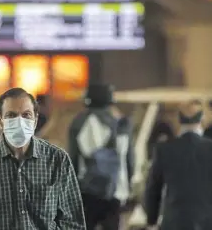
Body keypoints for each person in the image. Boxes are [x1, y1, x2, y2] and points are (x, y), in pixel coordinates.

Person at [0, 88, 86, 230]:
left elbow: (73, 222)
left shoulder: (57, 160)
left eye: (26, 115)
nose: (20, 122)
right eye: (11, 116)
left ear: (35, 120)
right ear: (0, 122)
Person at [68, 84, 135, 230]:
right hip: (115, 190)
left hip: (87, 189)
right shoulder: (122, 123)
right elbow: (129, 160)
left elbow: (73, 160)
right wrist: (128, 185)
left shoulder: (78, 122)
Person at [145, 100, 212, 230]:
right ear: (202, 119)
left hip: (174, 222)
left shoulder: (164, 149)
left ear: (179, 120)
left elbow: (153, 189)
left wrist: (151, 220)